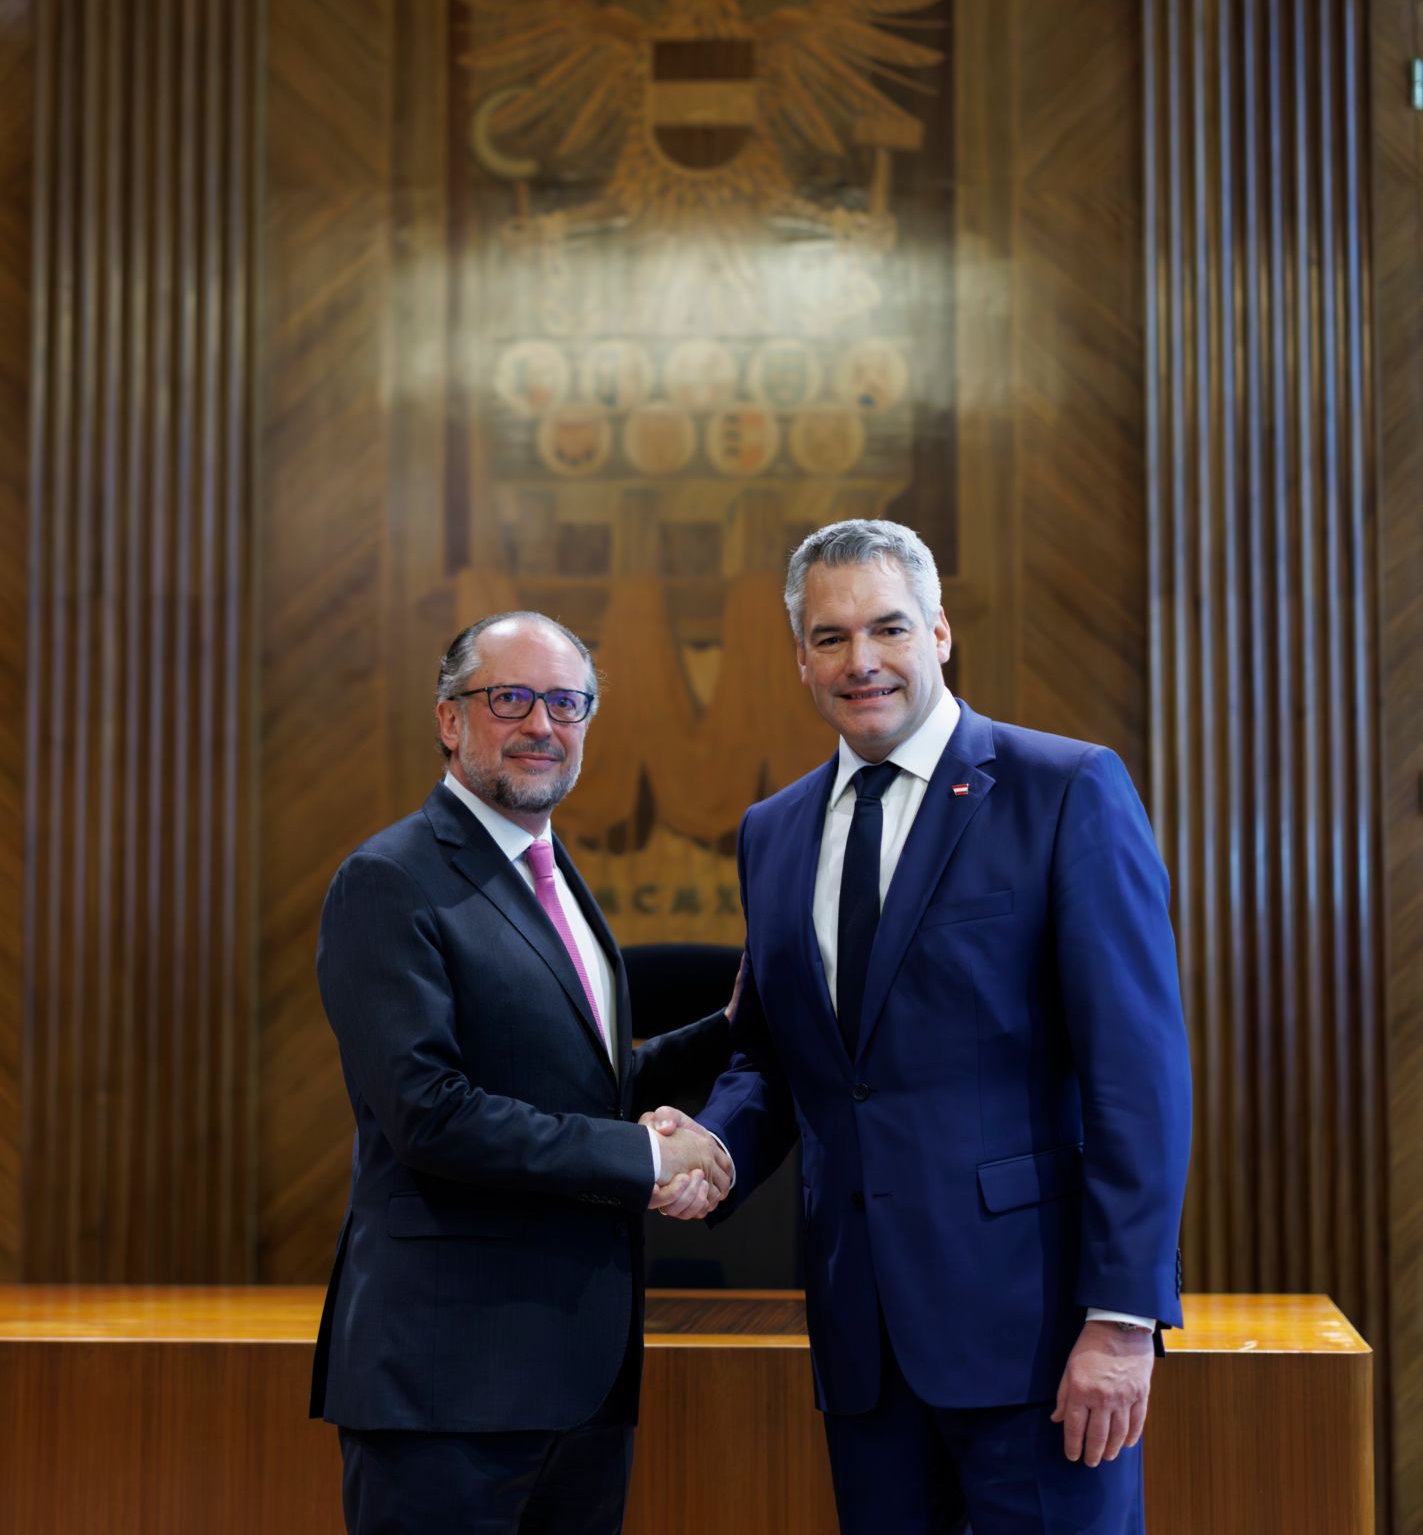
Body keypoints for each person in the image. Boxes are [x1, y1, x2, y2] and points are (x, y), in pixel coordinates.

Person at [650, 519, 1191, 1535]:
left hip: (1037, 1342)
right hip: (864, 1344)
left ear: (939, 632)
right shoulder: (772, 832)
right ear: (799, 657)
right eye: (829, 637)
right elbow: (777, 1052)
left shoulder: (1063, 789)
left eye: (887, 628)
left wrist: (1120, 1320)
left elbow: (1138, 1073)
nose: (861, 661)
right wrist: (718, 1146)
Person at [310, 610, 735, 1535]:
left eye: (567, 702)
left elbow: (582, 1083)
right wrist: (645, 1159)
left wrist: (732, 1027)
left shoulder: (548, 869)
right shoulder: (388, 879)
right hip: (447, 1386)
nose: (542, 724)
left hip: (577, 1380)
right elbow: (431, 1114)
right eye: (510, 698)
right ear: (449, 719)